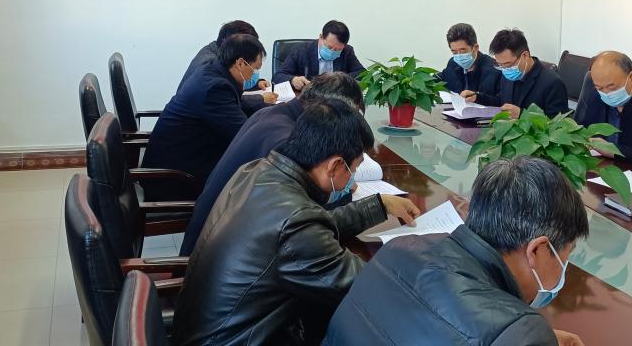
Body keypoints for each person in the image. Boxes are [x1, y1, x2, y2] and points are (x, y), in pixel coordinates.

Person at [173, 99, 415, 346]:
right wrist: (421, 265)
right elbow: (365, 286)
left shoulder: (258, 171)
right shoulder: (297, 223)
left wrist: (378, 205)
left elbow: (309, 229)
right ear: (334, 166)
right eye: (354, 168)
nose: (353, 178)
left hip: (205, 331)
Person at [323, 156, 588, 346]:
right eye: (566, 256)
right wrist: (526, 334)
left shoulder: (399, 248)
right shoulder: (520, 332)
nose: (564, 269)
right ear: (537, 250)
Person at [179, 72, 419, 257]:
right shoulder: (287, 143)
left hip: (217, 249)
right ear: (326, 110)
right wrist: (344, 191)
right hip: (216, 263)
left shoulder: (274, 115)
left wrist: (378, 204)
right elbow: (308, 225)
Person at [141, 34, 266, 197]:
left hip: (181, 160)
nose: (256, 74)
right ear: (241, 63)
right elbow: (244, 135)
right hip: (175, 179)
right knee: (255, 177)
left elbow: (234, 108)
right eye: (255, 69)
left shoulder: (213, 70)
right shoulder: (215, 88)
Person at [467, 29, 568, 119]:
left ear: (525, 56)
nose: (504, 69)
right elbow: (502, 101)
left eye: (508, 64)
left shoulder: (552, 83)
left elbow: (559, 126)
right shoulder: (508, 73)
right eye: (500, 65)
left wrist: (522, 115)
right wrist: (477, 97)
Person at [181, 20, 277, 110]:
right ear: (229, 43)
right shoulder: (209, 65)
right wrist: (260, 99)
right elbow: (225, 98)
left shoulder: (217, 54)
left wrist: (255, 83)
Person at [272, 20, 365, 91]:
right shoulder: (301, 50)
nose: (332, 51)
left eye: (338, 49)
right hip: (306, 99)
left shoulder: (347, 51)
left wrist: (339, 80)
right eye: (329, 47)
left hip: (335, 99)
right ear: (321, 37)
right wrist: (293, 80)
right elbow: (277, 76)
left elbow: (362, 73)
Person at [438, 22, 497, 96]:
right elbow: (439, 78)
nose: (459, 55)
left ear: (475, 48)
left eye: (463, 50)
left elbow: (498, 100)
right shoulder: (453, 63)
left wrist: (478, 97)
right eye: (454, 52)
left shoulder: (493, 69)